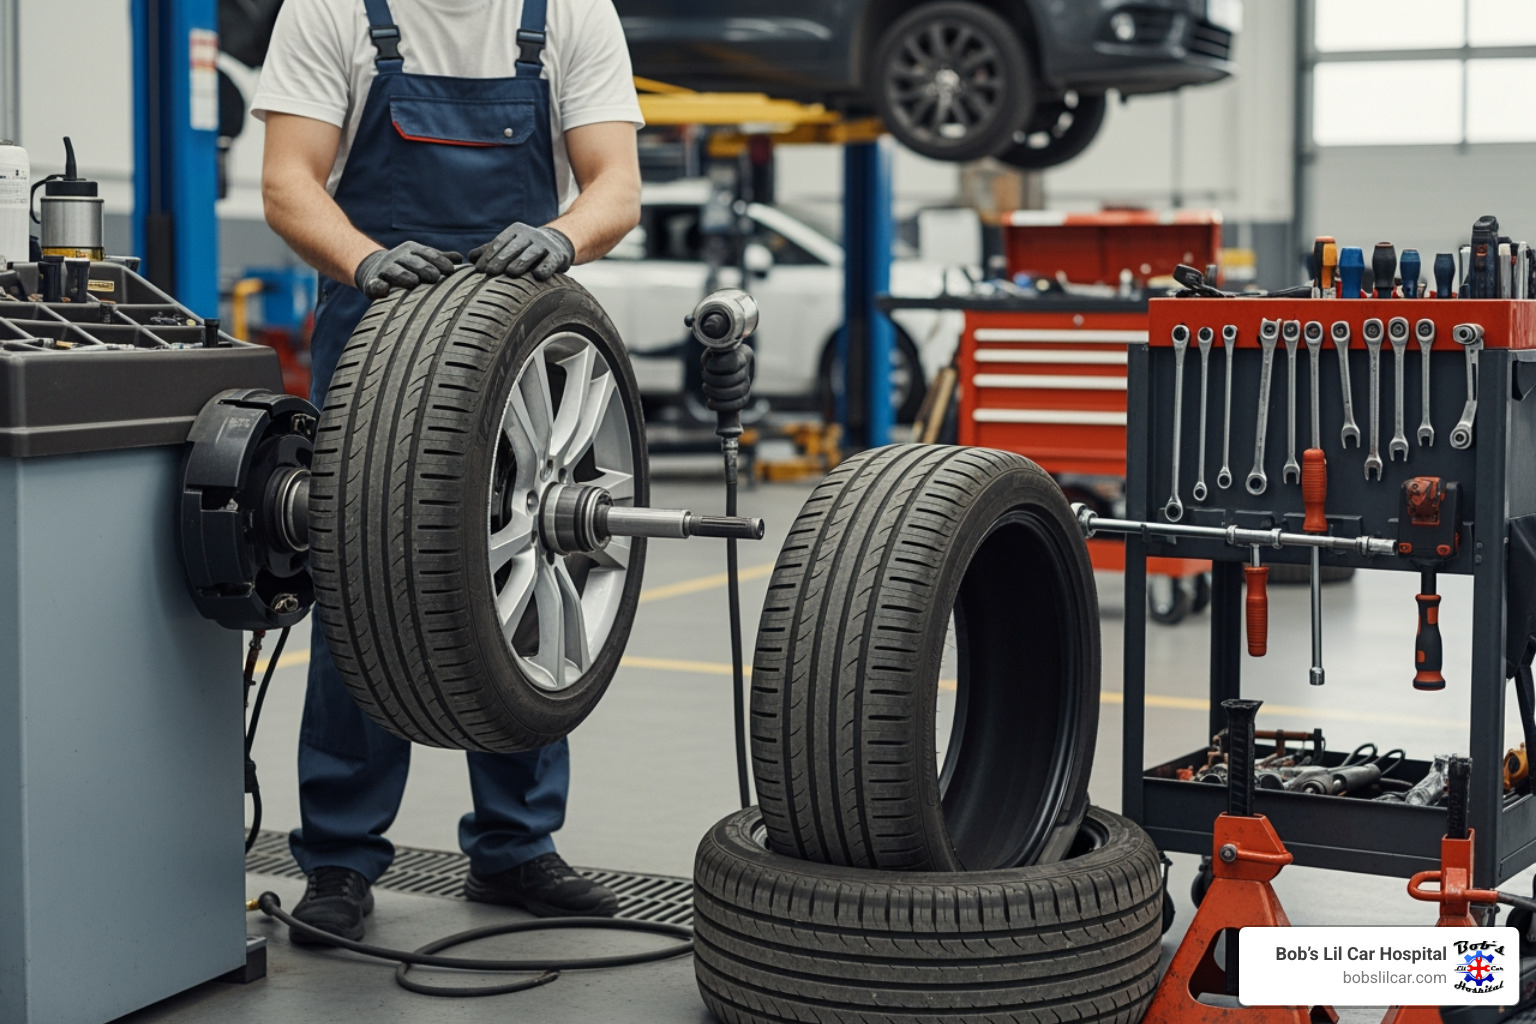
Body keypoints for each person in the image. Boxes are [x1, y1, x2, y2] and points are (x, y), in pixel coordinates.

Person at [252, 0, 643, 943]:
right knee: (365, 581)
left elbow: (615, 187)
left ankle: (517, 849)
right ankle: (340, 860)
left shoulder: (571, 13)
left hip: (522, 346)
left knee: (527, 577)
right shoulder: (333, 9)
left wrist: (562, 239)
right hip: (380, 323)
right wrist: (367, 259)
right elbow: (288, 182)